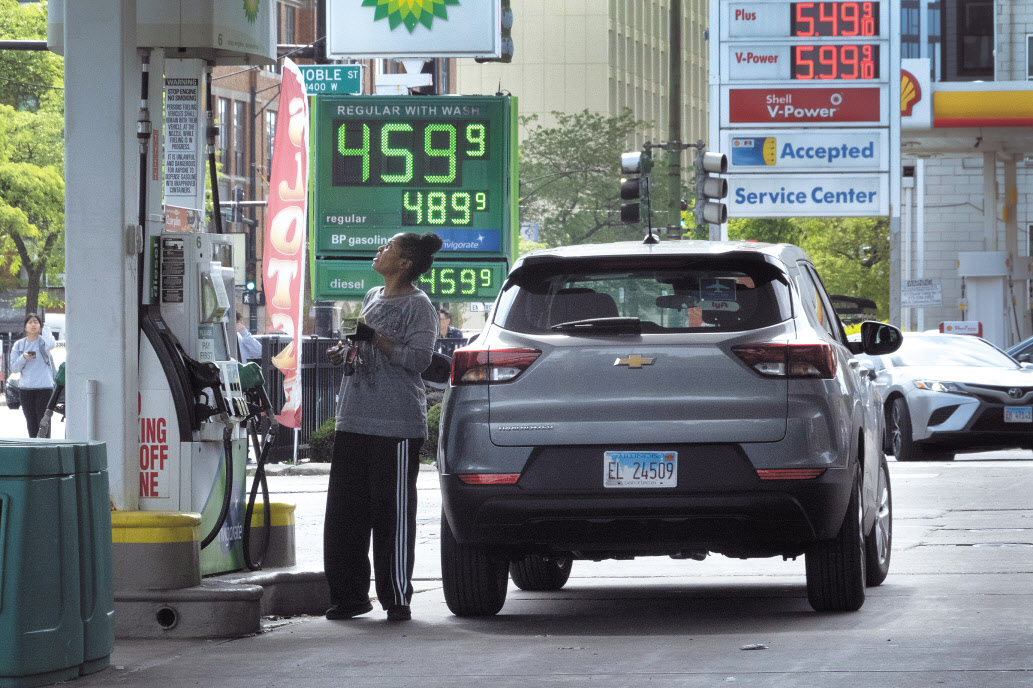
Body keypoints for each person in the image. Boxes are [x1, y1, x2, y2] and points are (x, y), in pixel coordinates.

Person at [323, 232, 442, 622]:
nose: (380, 250)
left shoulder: (419, 305)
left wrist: (376, 338)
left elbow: (420, 360)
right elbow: (367, 349)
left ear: (405, 263)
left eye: (388, 247)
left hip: (396, 426)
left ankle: (396, 598)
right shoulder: (373, 295)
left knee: (391, 514)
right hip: (354, 417)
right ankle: (350, 597)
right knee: (345, 515)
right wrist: (348, 350)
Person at [9, 313, 56, 438]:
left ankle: (46, 449)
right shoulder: (19, 345)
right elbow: (14, 368)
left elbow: (51, 344)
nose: (33, 325)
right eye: (30, 322)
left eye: (36, 322)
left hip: (44, 388)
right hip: (26, 389)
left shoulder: (43, 343)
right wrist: (24, 357)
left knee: (44, 421)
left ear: (40, 326)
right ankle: (34, 449)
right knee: (31, 422)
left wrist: (46, 329)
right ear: (25, 326)